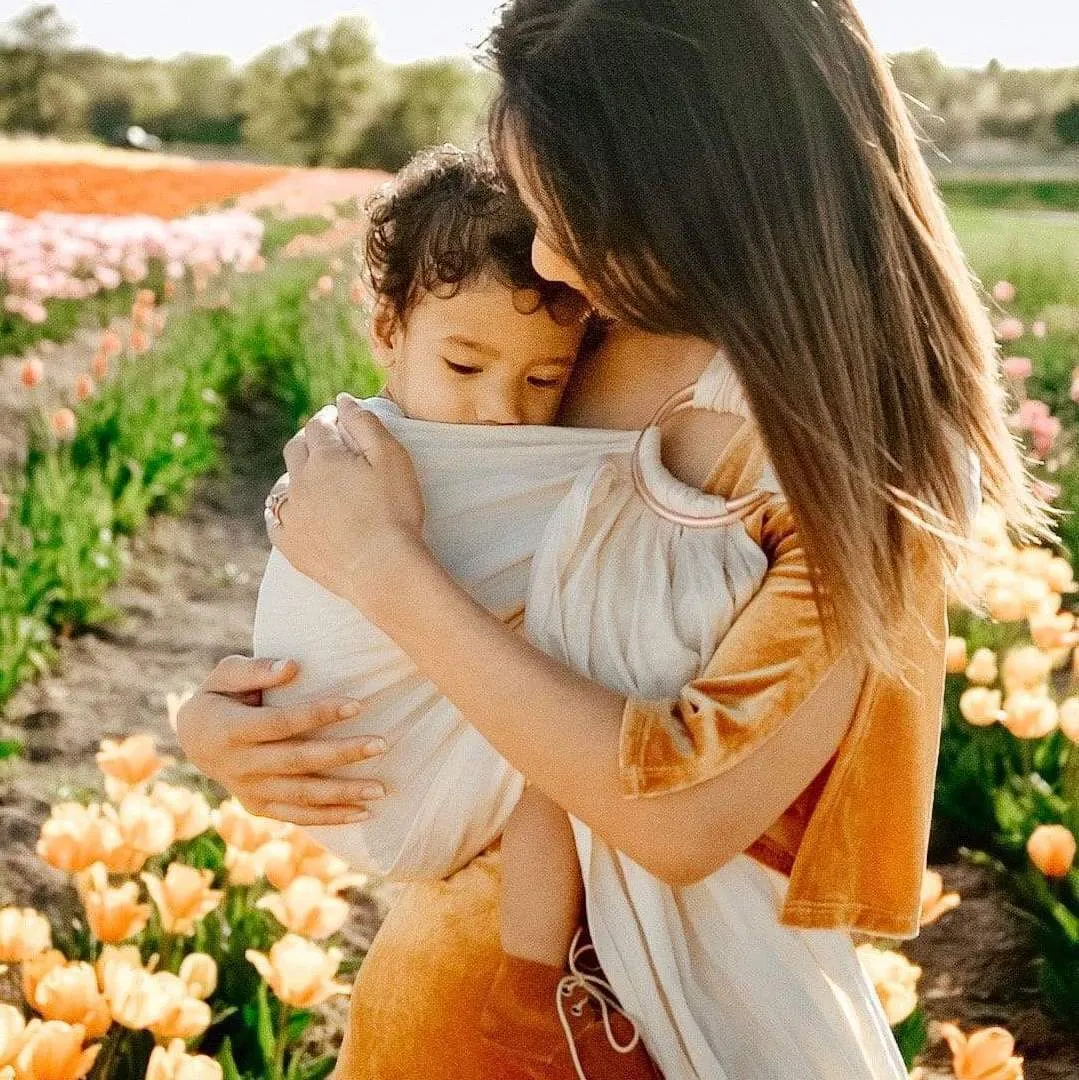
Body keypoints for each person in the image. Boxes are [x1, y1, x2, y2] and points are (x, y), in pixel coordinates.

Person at [175, 1, 1054, 1077]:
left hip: (649, 1034)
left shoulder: (856, 447)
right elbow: (416, 562)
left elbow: (687, 820)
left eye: (572, 209)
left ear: (692, 186)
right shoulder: (573, 332)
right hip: (435, 998)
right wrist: (234, 721)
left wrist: (383, 570)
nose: (545, 250)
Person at [253, 142, 661, 1077]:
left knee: (554, 748)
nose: (500, 413)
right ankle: (536, 976)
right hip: (350, 754)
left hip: (390, 791)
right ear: (387, 333)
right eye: (466, 366)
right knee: (553, 759)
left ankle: (530, 969)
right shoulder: (358, 451)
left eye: (543, 381)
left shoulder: (516, 446)